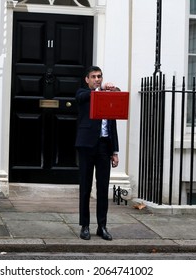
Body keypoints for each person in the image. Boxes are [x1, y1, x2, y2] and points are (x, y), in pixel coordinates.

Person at [75, 66, 120, 241]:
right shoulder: (83, 93)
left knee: (103, 189)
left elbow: (113, 125)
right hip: (86, 146)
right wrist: (100, 91)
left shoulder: (107, 95)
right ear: (87, 79)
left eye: (99, 76)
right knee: (85, 187)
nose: (97, 79)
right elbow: (82, 97)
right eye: (93, 77)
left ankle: (102, 226)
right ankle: (84, 226)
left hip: (104, 146)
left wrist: (114, 151)